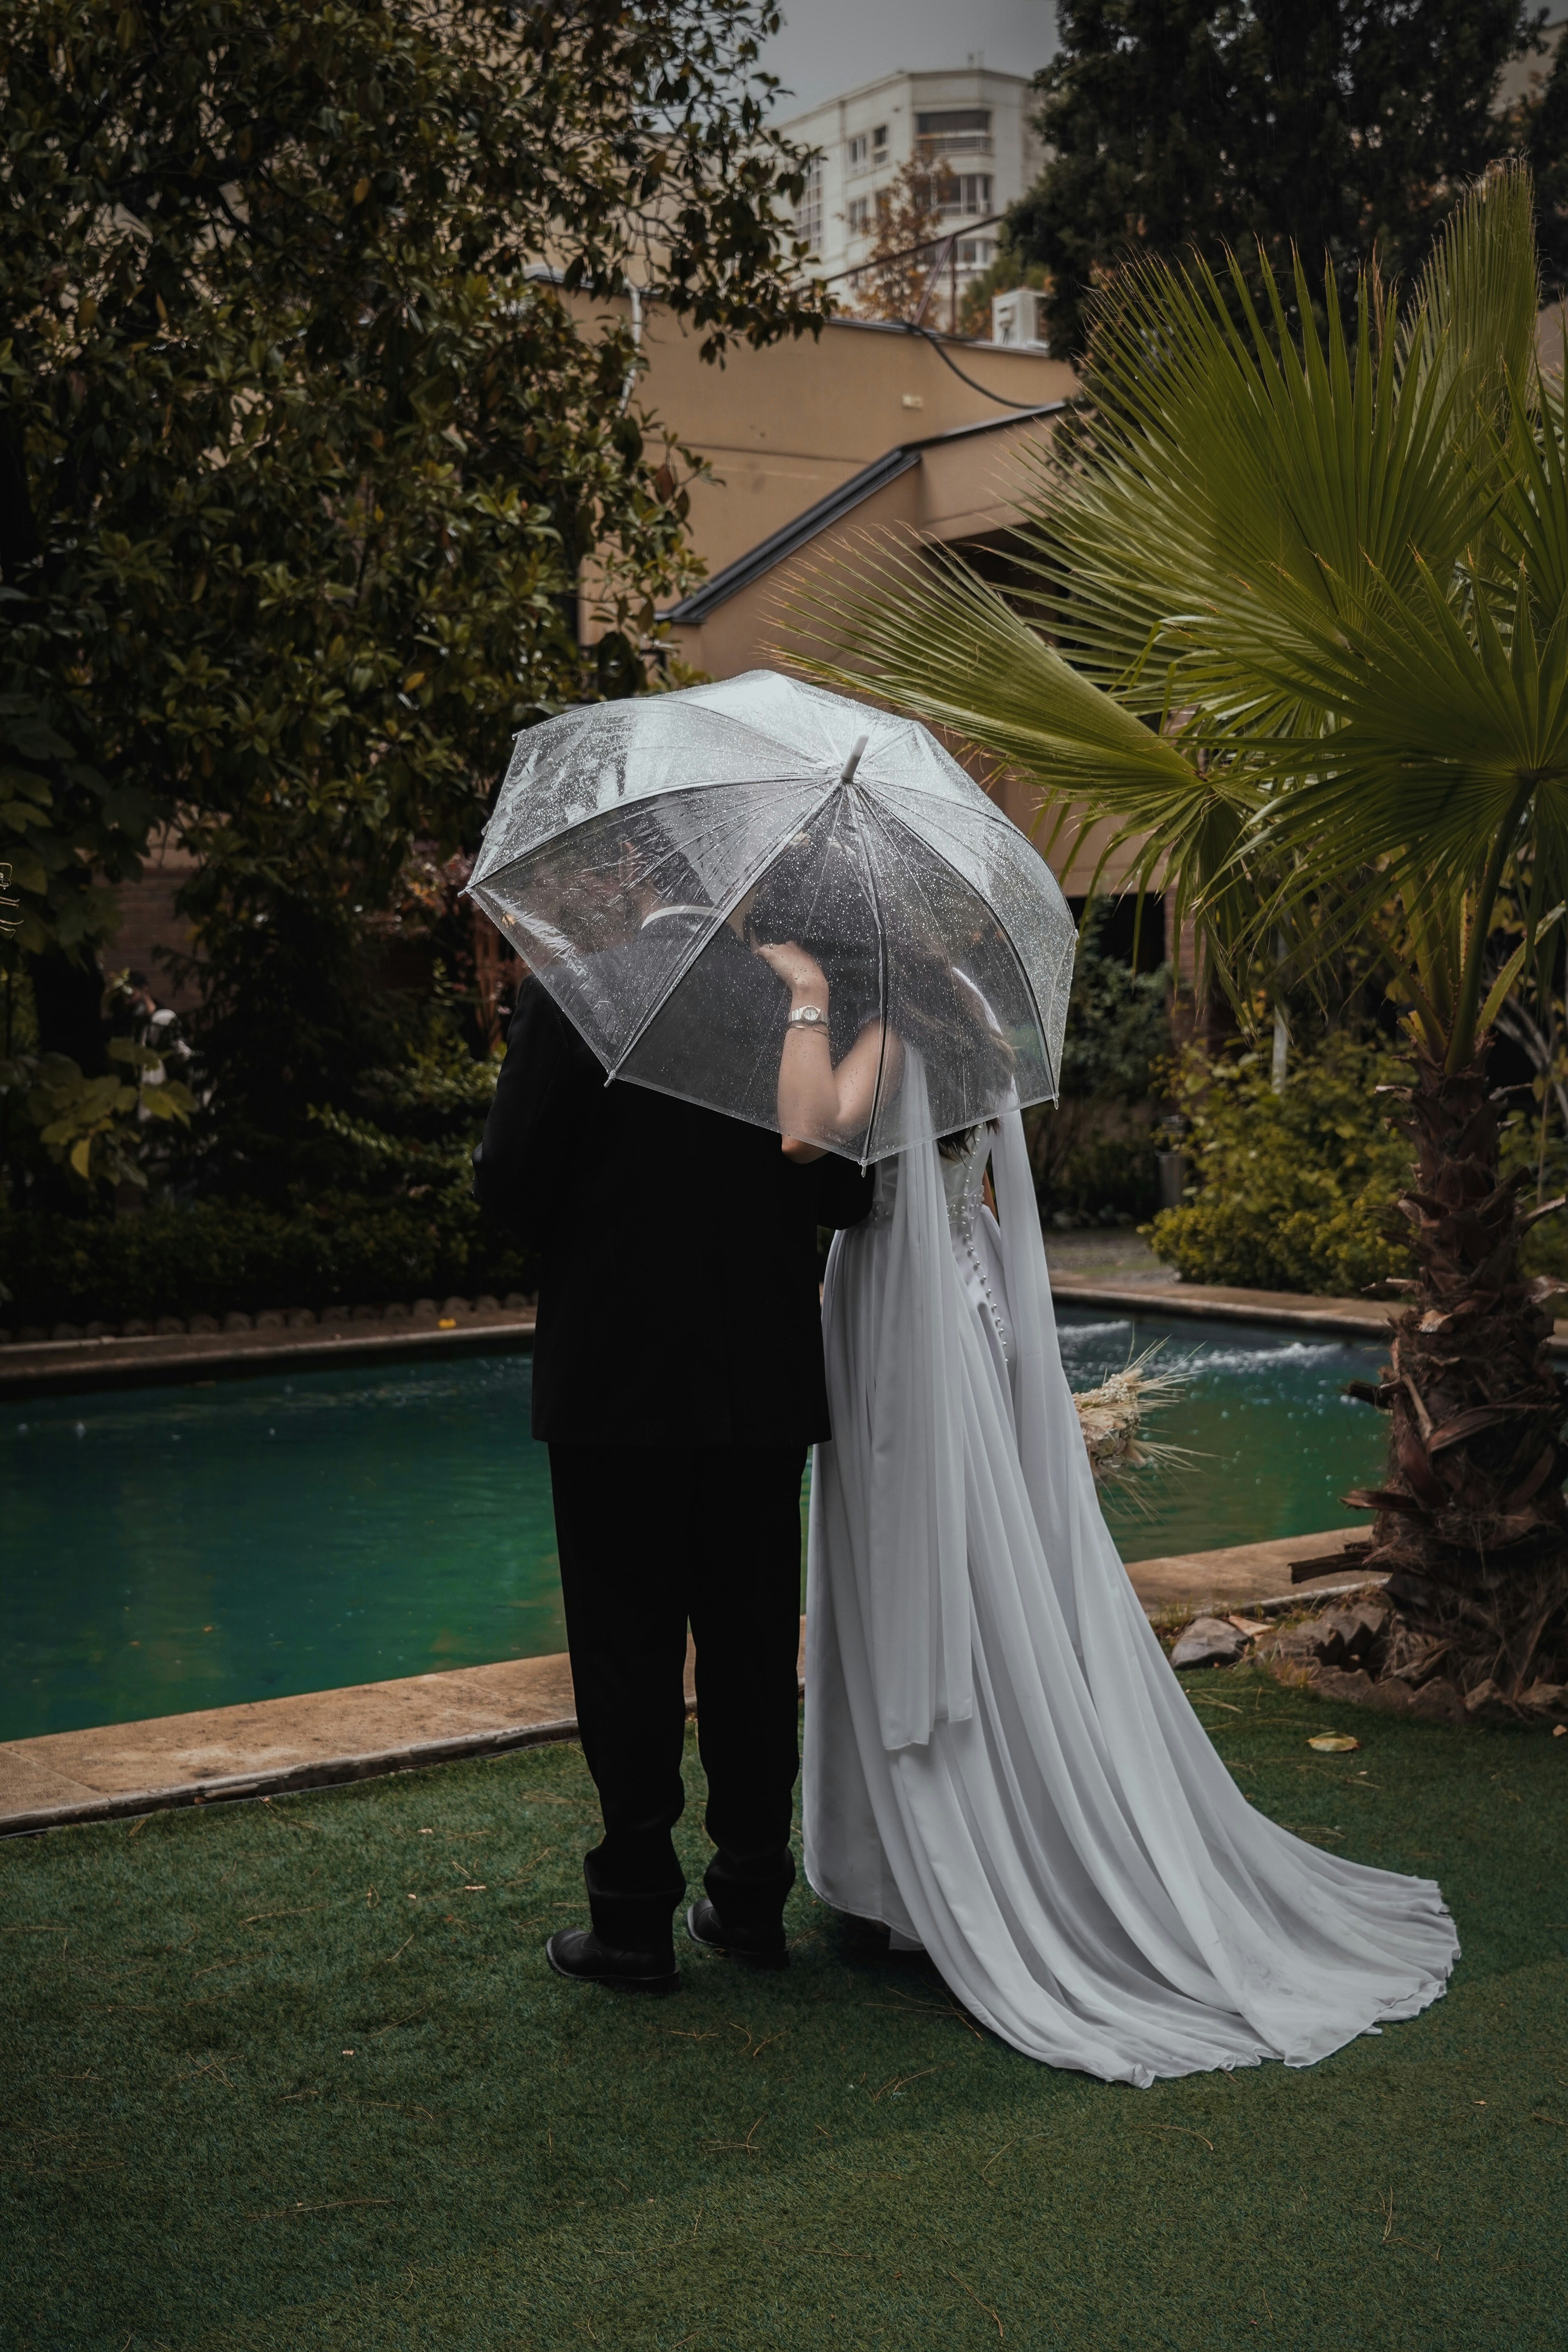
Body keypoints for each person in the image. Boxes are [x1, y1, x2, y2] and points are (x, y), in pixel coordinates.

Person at [757, 937, 1460, 2087]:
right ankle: (925, 1864)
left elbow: (802, 1136)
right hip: (961, 1302)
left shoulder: (882, 1027)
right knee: (979, 1569)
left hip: (902, 1321)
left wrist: (804, 1002)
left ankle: (941, 1877)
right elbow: (975, 1189)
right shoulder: (969, 1014)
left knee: (921, 1568)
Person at [473, 930, 872, 1995]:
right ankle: (749, 1902)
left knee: (623, 1648)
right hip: (759, 1378)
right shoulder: (797, 998)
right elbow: (842, 1192)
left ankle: (634, 1921)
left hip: (616, 1376)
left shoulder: (577, 989)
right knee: (750, 1643)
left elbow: (508, 1177)